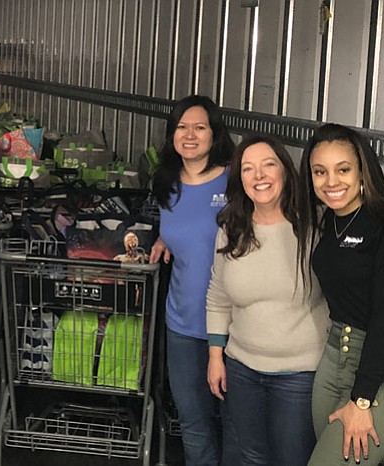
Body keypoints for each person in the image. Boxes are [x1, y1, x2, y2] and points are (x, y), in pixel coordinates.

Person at [206, 136, 329, 465]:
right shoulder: (232, 228)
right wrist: (216, 356)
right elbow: (218, 297)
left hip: (300, 375)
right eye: (248, 168)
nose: (258, 175)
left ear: (285, 171)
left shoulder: (316, 226)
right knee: (251, 458)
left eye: (268, 164)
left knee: (293, 459)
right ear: (240, 179)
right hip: (242, 368)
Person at [150, 94, 237, 466]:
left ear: (214, 134)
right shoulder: (166, 183)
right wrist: (162, 238)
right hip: (183, 324)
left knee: (236, 425)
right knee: (194, 424)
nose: (189, 135)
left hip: (236, 329)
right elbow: (180, 229)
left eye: (199, 127)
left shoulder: (236, 182)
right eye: (181, 127)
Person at [299, 123, 384, 466]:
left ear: (362, 169)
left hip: (375, 372)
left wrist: (362, 399)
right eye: (320, 172)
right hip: (333, 360)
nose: (331, 182)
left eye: (343, 169)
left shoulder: (379, 223)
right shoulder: (329, 221)